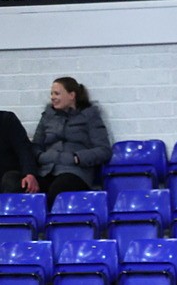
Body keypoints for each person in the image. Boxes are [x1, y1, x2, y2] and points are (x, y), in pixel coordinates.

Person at [27, 77, 112, 207]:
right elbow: (36, 145)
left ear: (72, 95)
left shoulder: (90, 116)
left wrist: (77, 158)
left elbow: (103, 150)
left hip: (76, 172)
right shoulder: (47, 116)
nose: (52, 97)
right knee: (16, 183)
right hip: (47, 170)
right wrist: (40, 156)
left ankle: (48, 225)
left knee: (59, 188)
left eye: (57, 93)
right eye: (51, 94)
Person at [0, 110, 40, 195]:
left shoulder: (7, 119)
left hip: (9, 173)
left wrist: (30, 173)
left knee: (10, 180)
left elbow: (24, 149)